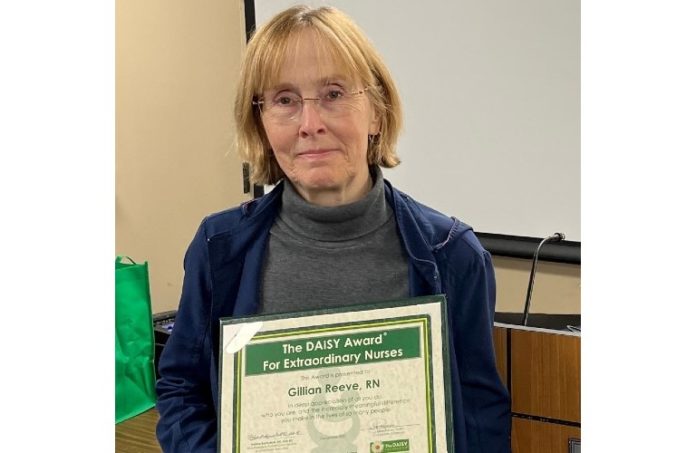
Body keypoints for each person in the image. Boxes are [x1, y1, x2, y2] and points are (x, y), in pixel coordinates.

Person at [156, 5, 510, 452]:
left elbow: (480, 417)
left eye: (334, 94)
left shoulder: (452, 254)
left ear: (377, 112)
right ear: (261, 122)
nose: (311, 125)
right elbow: (182, 394)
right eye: (284, 100)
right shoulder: (219, 248)